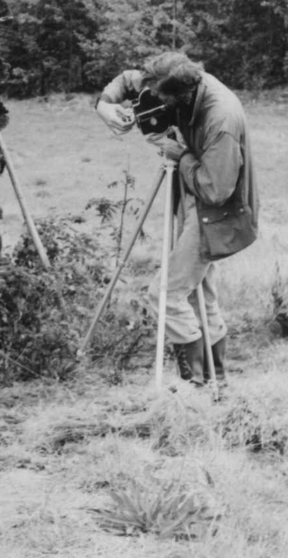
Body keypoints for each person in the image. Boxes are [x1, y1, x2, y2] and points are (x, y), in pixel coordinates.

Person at [95, 52, 258, 387]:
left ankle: (196, 385)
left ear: (179, 95)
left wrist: (180, 155)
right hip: (192, 195)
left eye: (159, 98)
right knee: (202, 296)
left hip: (217, 212)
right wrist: (105, 104)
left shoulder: (220, 119)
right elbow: (128, 80)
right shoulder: (172, 80)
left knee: (165, 295)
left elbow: (217, 190)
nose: (152, 98)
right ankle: (217, 384)